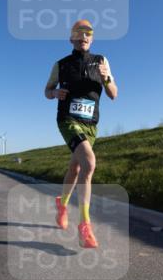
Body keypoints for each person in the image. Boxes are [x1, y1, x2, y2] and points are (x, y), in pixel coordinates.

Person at [44, 19, 118, 248]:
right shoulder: (61, 64)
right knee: (89, 163)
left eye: (88, 33)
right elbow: (46, 91)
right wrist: (55, 93)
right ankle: (85, 225)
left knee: (76, 168)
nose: (84, 37)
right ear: (71, 38)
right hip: (68, 120)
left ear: (92, 38)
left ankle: (62, 204)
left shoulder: (102, 61)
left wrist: (106, 78)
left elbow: (114, 94)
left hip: (91, 124)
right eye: (79, 33)